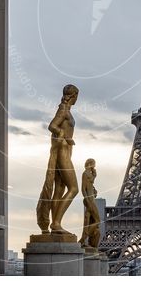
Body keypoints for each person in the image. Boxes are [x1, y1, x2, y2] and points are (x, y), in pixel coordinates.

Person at [36, 85, 80, 234]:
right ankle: (56, 222)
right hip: (63, 151)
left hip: (65, 149)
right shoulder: (63, 110)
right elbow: (52, 126)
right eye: (76, 96)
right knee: (74, 188)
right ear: (73, 96)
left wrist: (67, 138)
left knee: (59, 189)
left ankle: (56, 224)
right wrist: (64, 136)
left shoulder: (66, 110)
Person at [79, 158, 101, 248]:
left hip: (91, 199)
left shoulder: (90, 174)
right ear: (90, 164)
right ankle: (84, 237)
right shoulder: (85, 174)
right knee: (98, 220)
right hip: (90, 201)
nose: (94, 166)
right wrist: (87, 200)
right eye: (94, 164)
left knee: (88, 220)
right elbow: (83, 189)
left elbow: (90, 185)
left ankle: (83, 239)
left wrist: (94, 176)